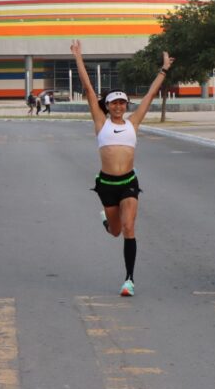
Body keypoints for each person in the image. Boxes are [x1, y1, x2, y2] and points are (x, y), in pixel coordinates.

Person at [71, 39, 174, 297]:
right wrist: (78, 58)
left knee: (129, 228)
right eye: (114, 103)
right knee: (116, 231)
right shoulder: (100, 122)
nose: (118, 107)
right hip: (107, 184)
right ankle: (107, 222)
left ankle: (129, 280)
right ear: (107, 106)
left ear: (126, 106)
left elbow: (150, 95)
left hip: (128, 182)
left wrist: (163, 69)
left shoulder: (133, 123)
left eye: (122, 103)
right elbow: (87, 87)